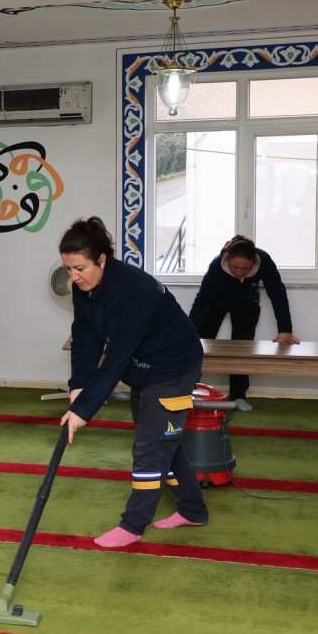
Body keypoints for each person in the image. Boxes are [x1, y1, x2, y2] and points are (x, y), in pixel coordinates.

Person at [59, 217, 209, 549]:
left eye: (80, 267)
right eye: (68, 268)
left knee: (149, 447)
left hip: (173, 366)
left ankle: (132, 525)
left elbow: (116, 358)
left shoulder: (131, 290)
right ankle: (193, 510)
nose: (74, 276)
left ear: (102, 259)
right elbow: (85, 339)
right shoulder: (85, 289)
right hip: (143, 368)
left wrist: (84, 410)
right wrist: (78, 386)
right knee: (161, 440)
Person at [188, 235, 300, 411]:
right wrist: (190, 331)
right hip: (215, 303)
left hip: (247, 304)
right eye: (235, 267)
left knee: (242, 347)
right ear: (228, 259)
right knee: (198, 344)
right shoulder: (217, 265)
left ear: (253, 263)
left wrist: (285, 329)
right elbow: (202, 299)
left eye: (245, 268)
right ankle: (187, 389)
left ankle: (238, 395)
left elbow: (277, 293)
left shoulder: (264, 261)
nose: (240, 272)